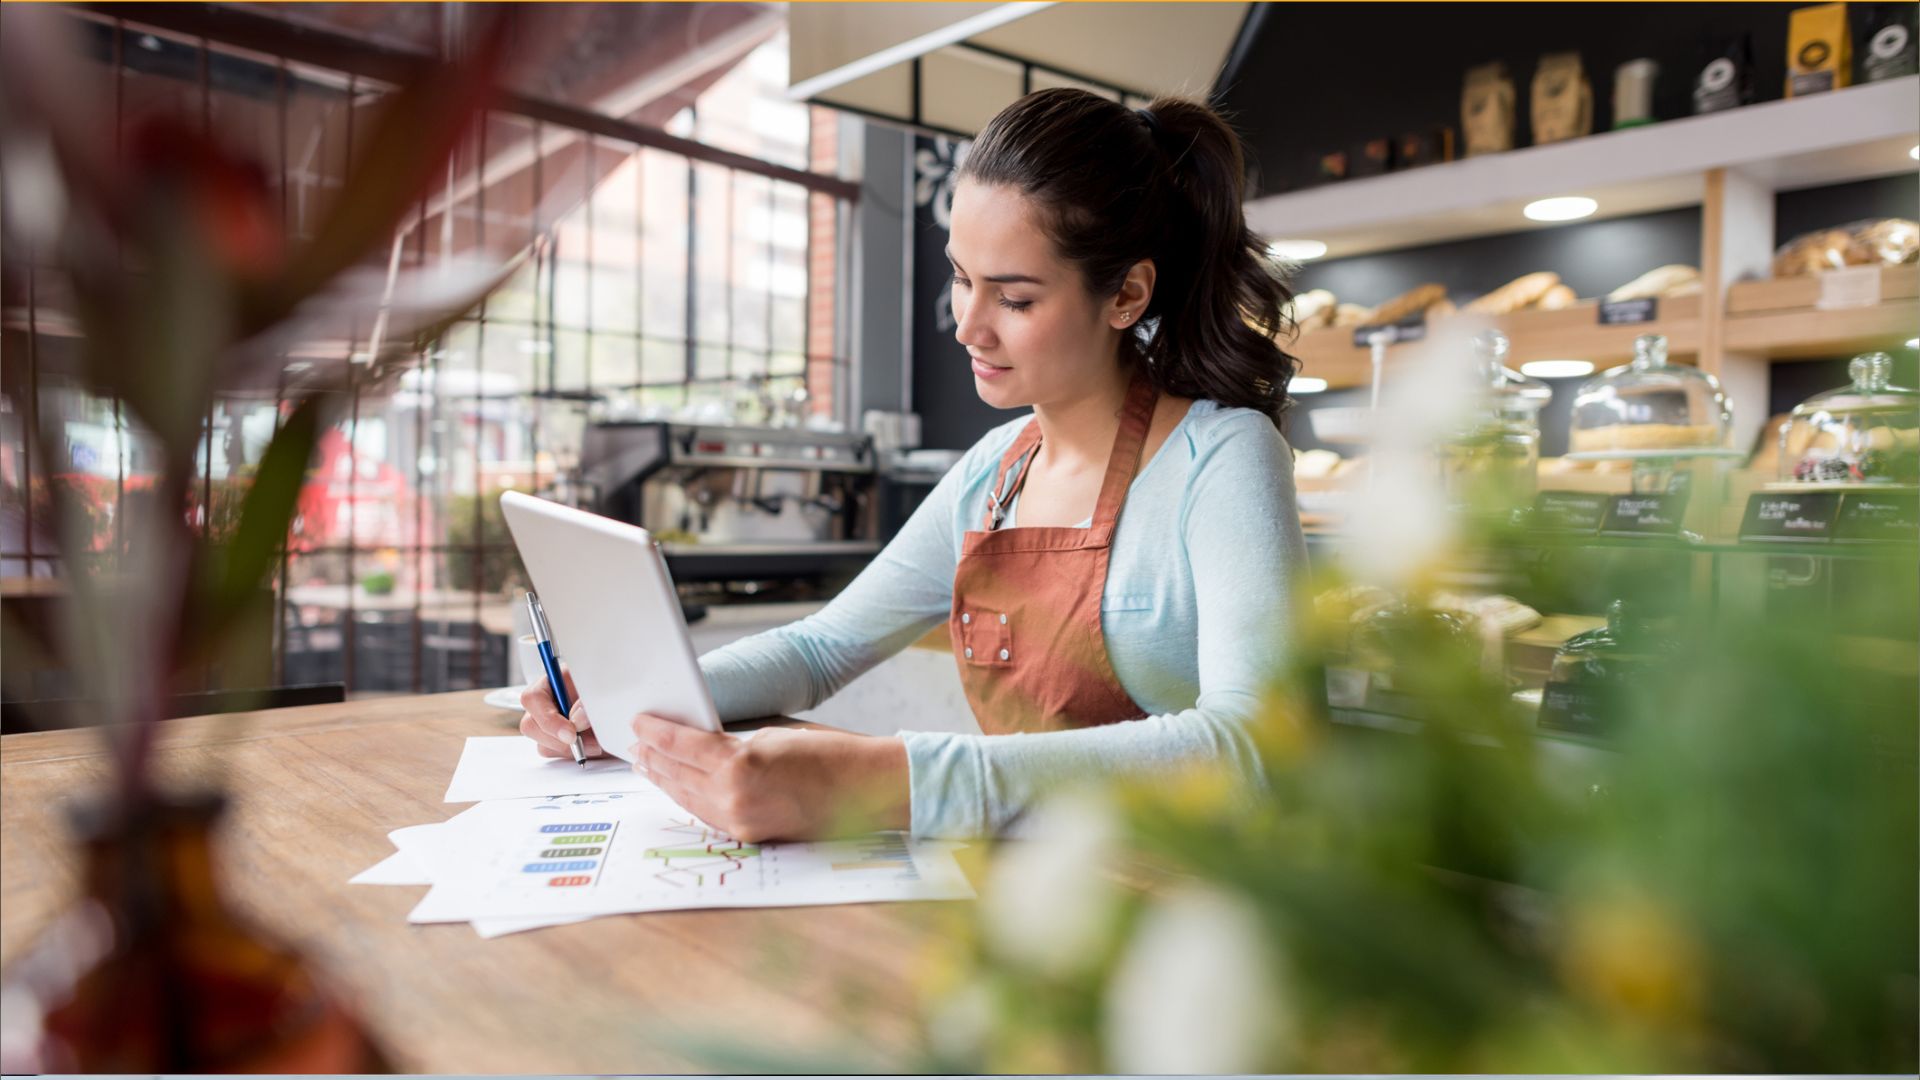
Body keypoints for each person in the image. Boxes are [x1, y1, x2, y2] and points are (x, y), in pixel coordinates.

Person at [520, 88, 1308, 841]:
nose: (968, 327)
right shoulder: (992, 473)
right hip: (1043, 901)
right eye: (962, 278)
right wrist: (631, 701)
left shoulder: (1224, 458)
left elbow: (1251, 749)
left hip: (1191, 906)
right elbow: (819, 649)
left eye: (1016, 298)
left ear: (1127, 295)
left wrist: (880, 779)